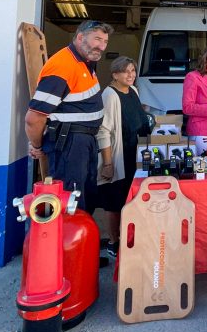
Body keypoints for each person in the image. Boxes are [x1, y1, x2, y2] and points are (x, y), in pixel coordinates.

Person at [25, 20, 113, 212]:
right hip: (71, 142)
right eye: (97, 39)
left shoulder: (85, 62)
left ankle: (83, 240)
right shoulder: (62, 66)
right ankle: (69, 242)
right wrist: (38, 145)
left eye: (105, 42)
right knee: (71, 201)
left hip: (83, 142)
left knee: (85, 197)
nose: (102, 46)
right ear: (80, 37)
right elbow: (34, 118)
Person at [98, 55, 152, 254]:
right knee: (114, 201)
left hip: (134, 154)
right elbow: (103, 131)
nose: (131, 75)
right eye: (126, 71)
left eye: (133, 71)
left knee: (129, 198)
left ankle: (128, 239)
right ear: (114, 75)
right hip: (117, 156)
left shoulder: (134, 91)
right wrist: (108, 163)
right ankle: (113, 242)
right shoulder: (110, 95)